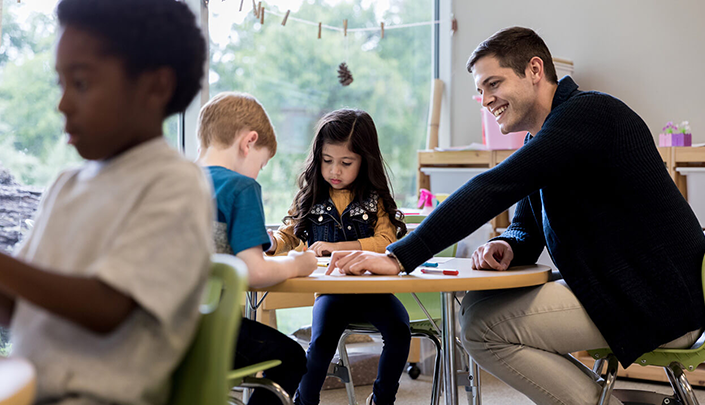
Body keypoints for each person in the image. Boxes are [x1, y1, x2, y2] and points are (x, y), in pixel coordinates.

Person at [328, 27, 705, 405]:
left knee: (481, 328)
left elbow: (495, 186)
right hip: (631, 289)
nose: (485, 99)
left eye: (493, 83)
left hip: (655, 301)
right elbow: (525, 224)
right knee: (478, 309)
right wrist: (506, 243)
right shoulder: (546, 134)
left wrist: (398, 256)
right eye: (480, 90)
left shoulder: (588, 114)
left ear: (535, 70)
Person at [0, 0, 213, 404]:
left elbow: (106, 308)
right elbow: (18, 305)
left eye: (80, 83)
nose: (62, 103)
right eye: (61, 85)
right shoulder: (66, 184)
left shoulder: (173, 183)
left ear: (156, 86)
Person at [266, 109, 410, 405]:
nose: (335, 171)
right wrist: (269, 244)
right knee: (319, 346)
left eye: (346, 163)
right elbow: (286, 236)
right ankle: (304, 402)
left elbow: (387, 241)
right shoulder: (310, 197)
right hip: (332, 293)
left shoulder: (374, 199)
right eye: (327, 161)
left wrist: (340, 247)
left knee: (400, 331)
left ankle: (382, 399)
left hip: (375, 291)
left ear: (364, 160)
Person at [196, 92, 318, 405]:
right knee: (291, 357)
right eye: (261, 164)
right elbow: (255, 270)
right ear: (248, 142)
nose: (257, 173)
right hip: (203, 332)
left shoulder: (173, 181)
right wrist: (296, 264)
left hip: (152, 327)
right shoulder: (240, 187)